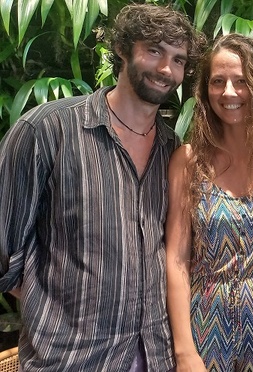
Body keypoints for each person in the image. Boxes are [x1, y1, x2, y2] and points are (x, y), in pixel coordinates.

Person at [0, 4, 204, 371]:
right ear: (123, 49)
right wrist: (56, 312)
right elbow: (4, 251)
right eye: (154, 50)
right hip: (72, 360)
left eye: (178, 60)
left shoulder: (174, 152)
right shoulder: (48, 131)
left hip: (156, 357)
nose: (165, 70)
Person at [165, 33, 253, 371]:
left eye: (241, 81)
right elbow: (177, 260)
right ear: (204, 90)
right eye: (218, 81)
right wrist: (184, 351)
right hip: (206, 325)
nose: (229, 93)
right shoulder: (189, 161)